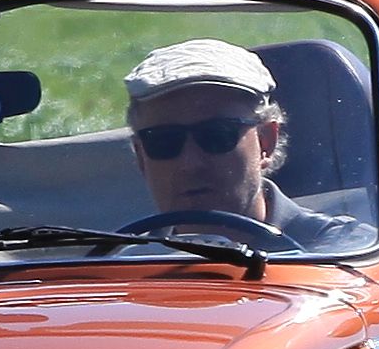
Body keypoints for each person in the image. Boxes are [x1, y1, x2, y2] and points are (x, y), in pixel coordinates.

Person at [123, 40, 294, 235]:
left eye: (217, 135)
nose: (190, 164)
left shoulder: (328, 256)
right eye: (164, 142)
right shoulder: (125, 261)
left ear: (265, 142)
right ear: (141, 158)